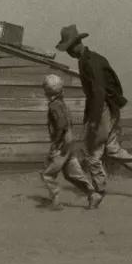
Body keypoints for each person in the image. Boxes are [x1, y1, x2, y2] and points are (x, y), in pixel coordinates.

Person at [55, 25, 132, 207]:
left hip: (102, 109)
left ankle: (98, 191)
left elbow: (98, 92)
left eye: (69, 48)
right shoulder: (90, 58)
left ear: (76, 45)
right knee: (112, 149)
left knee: (92, 153)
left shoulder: (89, 62)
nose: (68, 52)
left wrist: (93, 121)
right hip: (109, 108)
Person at [40, 74, 101, 210]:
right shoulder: (63, 104)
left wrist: (56, 143)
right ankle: (92, 194)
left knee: (47, 174)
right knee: (72, 174)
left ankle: (55, 201)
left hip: (61, 145)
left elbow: (61, 125)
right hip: (69, 144)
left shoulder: (54, 105)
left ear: (47, 90)